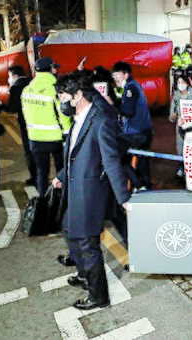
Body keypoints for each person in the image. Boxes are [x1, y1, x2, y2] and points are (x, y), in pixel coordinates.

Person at [52, 71, 130, 310]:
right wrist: (60, 176)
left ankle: (98, 296)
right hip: (74, 187)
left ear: (78, 95)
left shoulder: (100, 121)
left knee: (87, 243)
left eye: (63, 96)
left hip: (89, 192)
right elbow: (73, 153)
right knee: (68, 228)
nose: (61, 102)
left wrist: (123, 198)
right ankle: (85, 275)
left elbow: (111, 161)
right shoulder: (78, 118)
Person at [22, 57, 71, 195]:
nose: (56, 70)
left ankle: (43, 201)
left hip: (35, 138)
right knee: (61, 171)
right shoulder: (55, 88)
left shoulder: (27, 89)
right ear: (49, 69)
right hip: (55, 138)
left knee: (42, 172)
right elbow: (63, 113)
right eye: (54, 68)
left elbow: (26, 113)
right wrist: (67, 133)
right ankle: (62, 199)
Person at [112, 61, 154, 188]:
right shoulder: (135, 85)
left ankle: (138, 184)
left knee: (117, 157)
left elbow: (128, 111)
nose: (115, 78)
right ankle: (146, 187)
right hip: (146, 131)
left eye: (117, 75)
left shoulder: (130, 88)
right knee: (143, 161)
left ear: (126, 74)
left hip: (136, 133)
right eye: (113, 76)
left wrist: (115, 104)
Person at [2, 65, 35, 185]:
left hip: (26, 123)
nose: (8, 80)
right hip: (42, 121)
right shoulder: (33, 83)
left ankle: (34, 176)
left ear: (14, 76)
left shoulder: (15, 87)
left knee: (29, 150)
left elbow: (12, 108)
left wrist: (0, 105)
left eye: (9, 77)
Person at [169, 74, 192, 177]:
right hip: (180, 128)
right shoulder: (176, 97)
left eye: (183, 82)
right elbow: (171, 115)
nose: (181, 85)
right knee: (180, 147)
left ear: (187, 83)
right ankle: (181, 167)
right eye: (179, 83)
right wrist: (173, 117)